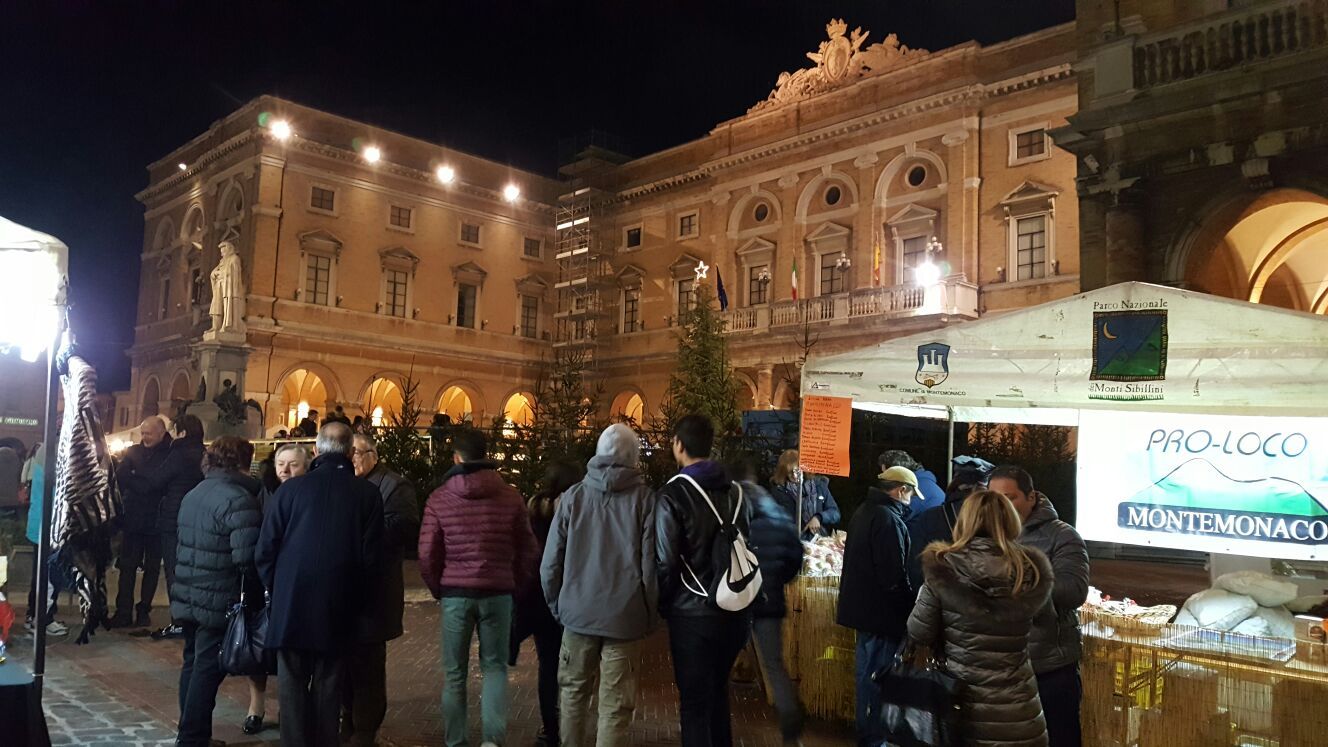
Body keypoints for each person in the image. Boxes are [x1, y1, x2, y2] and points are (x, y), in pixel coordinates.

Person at [257, 422, 384, 747]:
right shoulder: (367, 494)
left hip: (292, 606)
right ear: (349, 453)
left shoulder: (290, 490)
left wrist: (280, 589)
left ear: (316, 450)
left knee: (292, 687)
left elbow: (265, 550)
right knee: (329, 688)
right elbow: (372, 560)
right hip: (339, 607)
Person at [418, 427, 538, 747]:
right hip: (498, 592)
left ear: (457, 457)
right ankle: (492, 741)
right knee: (495, 667)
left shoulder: (440, 498)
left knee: (455, 673)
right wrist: (516, 583)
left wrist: (439, 588)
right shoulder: (511, 496)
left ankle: (456, 741)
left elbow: (427, 552)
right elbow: (528, 549)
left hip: (456, 593)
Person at [906, 490, 1054, 747]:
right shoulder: (1029, 569)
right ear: (1010, 520)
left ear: (964, 521)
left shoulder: (944, 567)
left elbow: (919, 632)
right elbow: (1046, 626)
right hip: (1021, 709)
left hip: (963, 707)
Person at [541, 424, 658, 747]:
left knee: (573, 694)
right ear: (634, 455)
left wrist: (558, 605)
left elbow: (551, 561)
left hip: (577, 612)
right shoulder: (645, 500)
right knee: (615, 705)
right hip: (625, 617)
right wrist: (649, 615)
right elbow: (649, 565)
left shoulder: (573, 497)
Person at [655, 414, 752, 747]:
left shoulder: (673, 494)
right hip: (735, 609)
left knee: (695, 703)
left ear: (679, 445)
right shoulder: (737, 491)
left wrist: (664, 604)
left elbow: (665, 561)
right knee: (718, 695)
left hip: (692, 614)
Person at [172, 436, 262, 747]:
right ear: (243, 461)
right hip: (217, 597)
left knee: (192, 662)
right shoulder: (239, 499)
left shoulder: (196, 492)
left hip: (188, 592)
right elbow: (246, 558)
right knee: (207, 669)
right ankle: (193, 738)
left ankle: (191, 732)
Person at [989, 466, 1089, 747]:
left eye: (1010, 498)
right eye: (995, 499)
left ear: (1031, 497)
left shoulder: (1063, 536)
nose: (1002, 507)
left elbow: (1074, 591)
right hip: (997, 667)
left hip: (1048, 668)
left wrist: (1017, 582)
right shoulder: (984, 535)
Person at [343, 433, 421, 747]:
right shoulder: (348, 484)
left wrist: (362, 530)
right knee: (348, 664)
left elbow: (405, 527)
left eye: (358, 453)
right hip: (348, 593)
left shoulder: (394, 485)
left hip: (377, 593)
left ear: (373, 454)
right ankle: (348, 720)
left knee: (369, 667)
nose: (352, 459)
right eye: (350, 453)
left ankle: (366, 730)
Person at [837, 465, 918, 746]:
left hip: (863, 613)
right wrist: (908, 608)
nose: (911, 500)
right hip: (881, 616)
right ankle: (873, 738)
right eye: (910, 494)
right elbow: (893, 575)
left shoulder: (865, 511)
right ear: (901, 490)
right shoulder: (888, 519)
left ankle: (867, 734)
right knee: (877, 679)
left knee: (865, 677)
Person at [242, 442, 310, 736]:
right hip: (263, 577)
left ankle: (290, 708)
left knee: (294, 649)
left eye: (293, 464)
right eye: (281, 462)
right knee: (258, 645)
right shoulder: (262, 490)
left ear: (305, 467)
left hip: (295, 581)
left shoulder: (311, 493)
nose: (285, 469)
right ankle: (256, 707)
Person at [738, 457, 805, 745]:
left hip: (736, 600)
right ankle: (790, 718)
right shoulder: (776, 511)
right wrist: (776, 582)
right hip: (770, 599)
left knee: (719, 659)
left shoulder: (733, 510)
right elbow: (795, 556)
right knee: (774, 663)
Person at [122, 414, 206, 641]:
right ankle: (191, 620)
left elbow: (154, 482)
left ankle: (178, 622)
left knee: (173, 571)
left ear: (183, 432)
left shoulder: (178, 454)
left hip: (172, 519)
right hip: (195, 519)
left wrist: (129, 477)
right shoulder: (203, 453)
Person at [517, 461, 583, 746]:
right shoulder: (578, 508)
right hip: (569, 597)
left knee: (547, 666)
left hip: (537, 598)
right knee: (570, 669)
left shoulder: (533, 509)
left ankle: (550, 729)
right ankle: (567, 727)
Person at [110, 416, 173, 628]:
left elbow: (161, 482)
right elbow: (122, 476)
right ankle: (123, 611)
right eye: (143, 433)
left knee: (152, 568)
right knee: (127, 567)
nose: (144, 437)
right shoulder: (133, 451)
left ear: (161, 433)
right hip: (134, 518)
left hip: (156, 520)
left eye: (149, 433)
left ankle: (144, 610)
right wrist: (144, 482)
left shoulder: (169, 454)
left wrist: (137, 478)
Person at [906, 456, 994, 592]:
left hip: (938, 598)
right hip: (981, 602)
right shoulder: (994, 517)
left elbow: (916, 567)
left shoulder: (931, 517)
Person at [23, 442, 68, 637]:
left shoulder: (40, 457)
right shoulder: (54, 456)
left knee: (40, 575)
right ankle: (43, 619)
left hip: (40, 525)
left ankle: (33, 616)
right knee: (48, 576)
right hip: (49, 528)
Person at [769, 449, 841, 540]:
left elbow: (835, 513)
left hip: (820, 540)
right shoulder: (779, 492)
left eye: (797, 471)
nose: (794, 476)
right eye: (790, 472)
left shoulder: (819, 486)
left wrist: (819, 517)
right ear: (784, 472)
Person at [879, 449, 945, 515]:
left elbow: (893, 519)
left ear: (898, 472)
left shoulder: (912, 489)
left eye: (886, 475)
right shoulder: (925, 482)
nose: (885, 481)